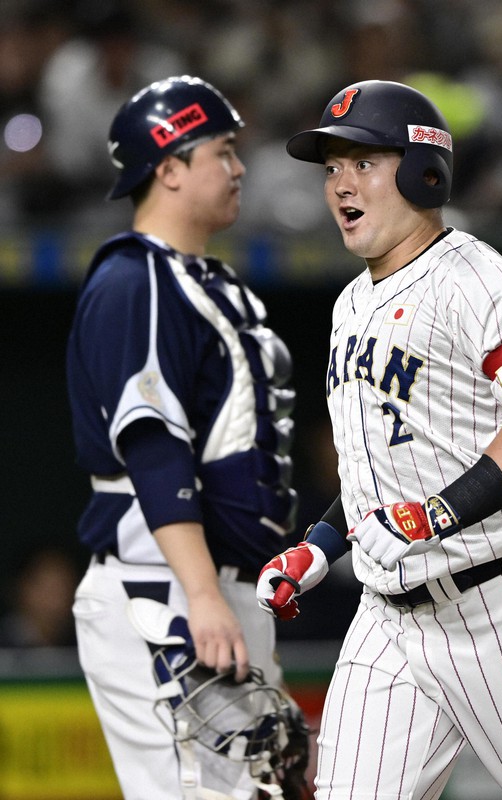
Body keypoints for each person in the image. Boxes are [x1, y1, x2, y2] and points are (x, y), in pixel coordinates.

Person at [256, 79, 502, 800]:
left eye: (362, 161)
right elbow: (382, 470)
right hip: (390, 618)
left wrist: (434, 515)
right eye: (331, 166)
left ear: (419, 169)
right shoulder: (349, 304)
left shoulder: (483, 283)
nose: (339, 182)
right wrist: (320, 544)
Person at [66, 75, 300, 800]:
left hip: (211, 592)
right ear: (166, 168)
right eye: (221, 151)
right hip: (161, 591)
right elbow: (150, 442)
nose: (237, 168)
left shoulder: (202, 278)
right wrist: (200, 596)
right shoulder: (136, 280)